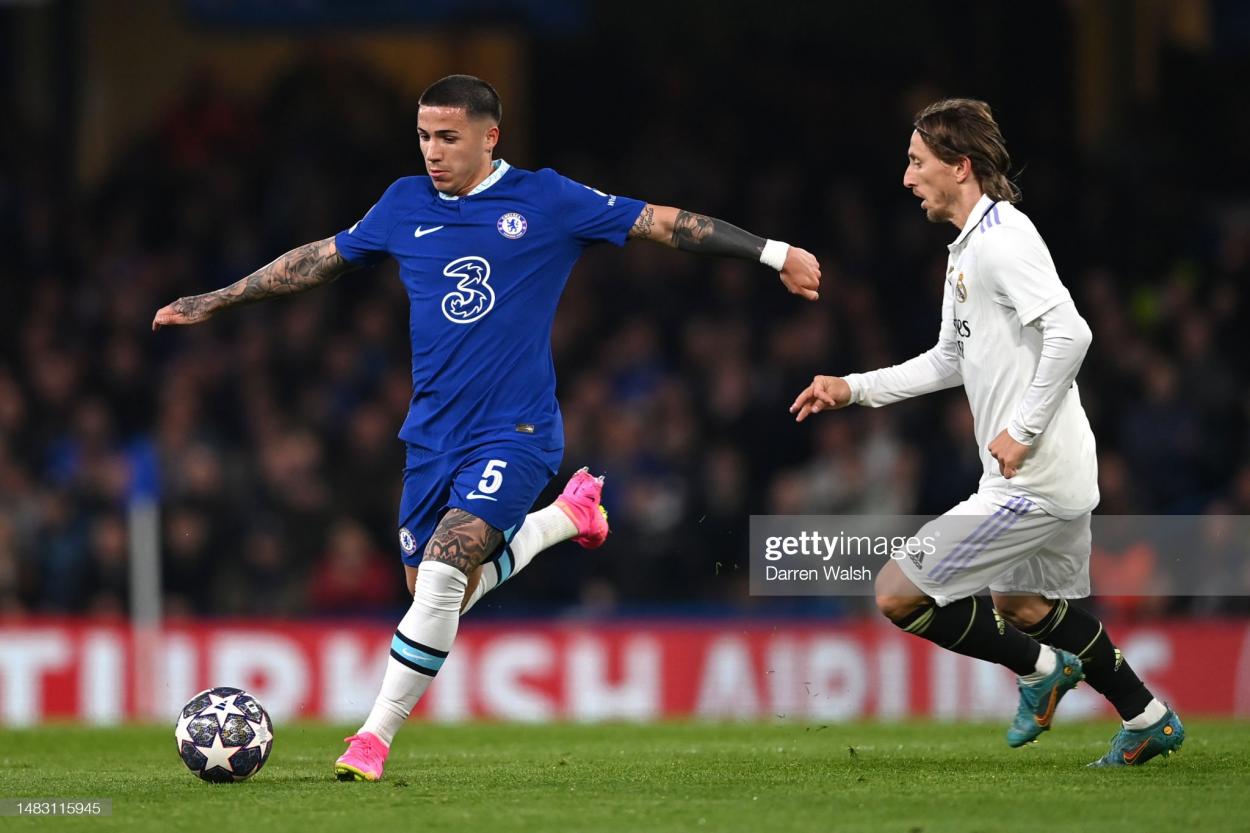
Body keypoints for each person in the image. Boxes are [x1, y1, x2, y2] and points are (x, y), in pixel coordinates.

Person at [153, 74, 821, 781]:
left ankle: (371, 739)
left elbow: (661, 221)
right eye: (423, 137)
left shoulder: (547, 199)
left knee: (443, 572)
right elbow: (321, 257)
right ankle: (566, 518)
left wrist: (772, 253)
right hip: (431, 436)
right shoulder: (404, 203)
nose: (432, 153)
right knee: (437, 590)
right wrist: (216, 299)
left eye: (448, 138)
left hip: (519, 431)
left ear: (489, 136)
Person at [789, 98, 1182, 767]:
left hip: (1032, 475)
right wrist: (852, 387)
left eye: (918, 162)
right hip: (1048, 469)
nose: (907, 177)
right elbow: (948, 359)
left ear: (959, 166)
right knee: (1024, 603)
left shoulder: (1003, 241)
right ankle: (1149, 717)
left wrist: (1023, 430)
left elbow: (1073, 332)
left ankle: (1037, 671)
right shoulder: (970, 249)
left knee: (896, 591)